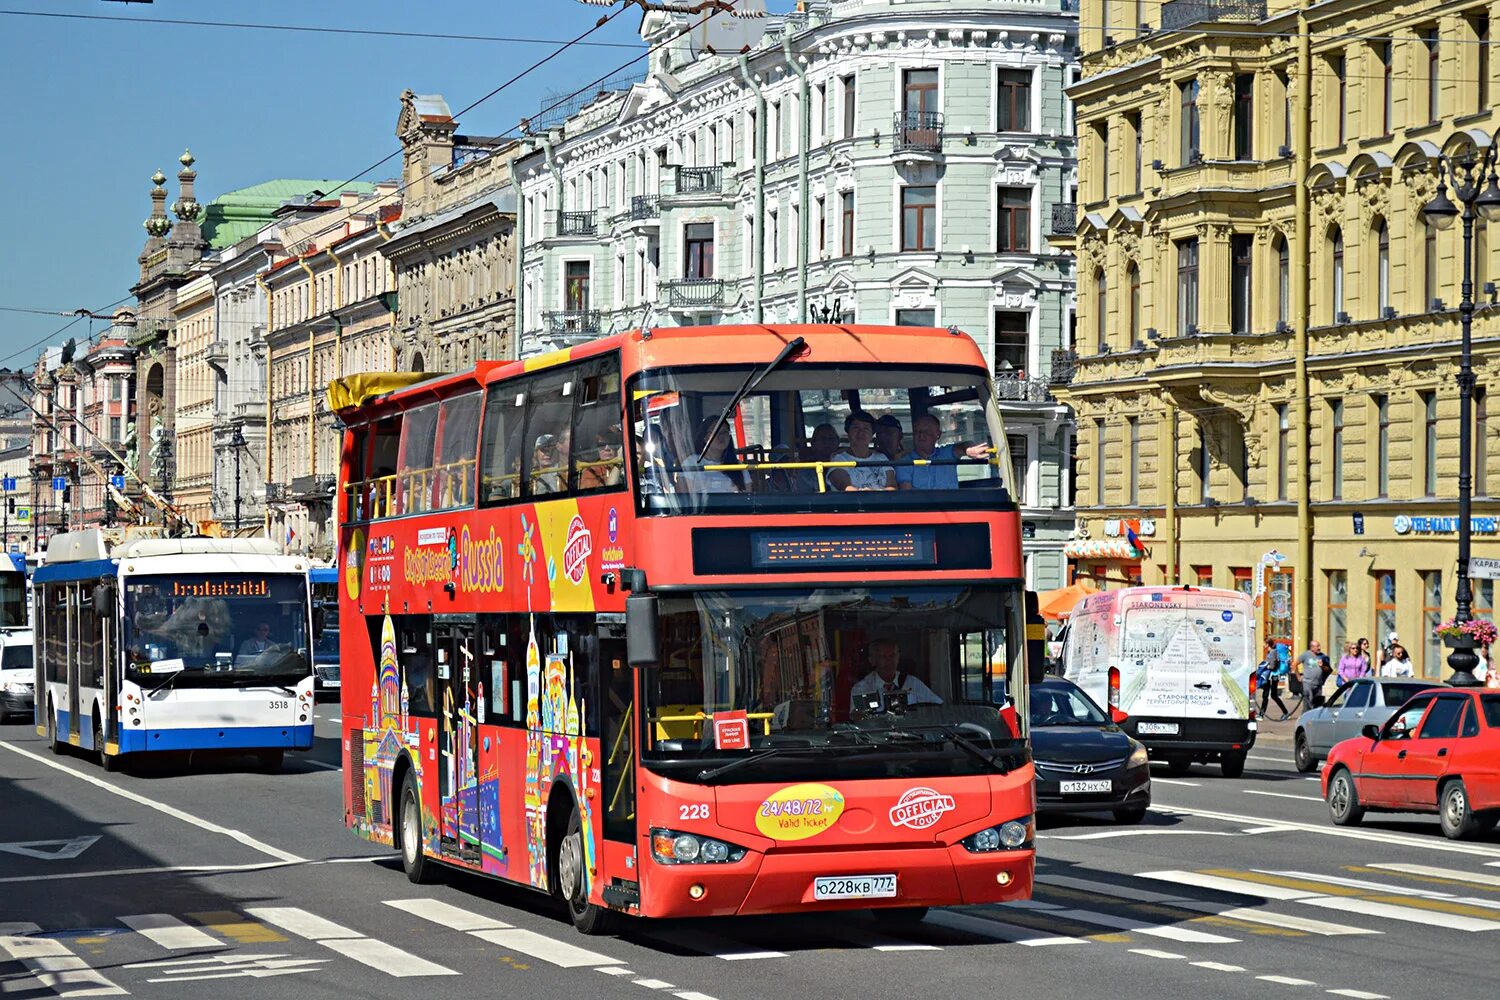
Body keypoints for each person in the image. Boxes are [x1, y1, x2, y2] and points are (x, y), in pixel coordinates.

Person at [896, 412, 992, 490]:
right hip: (922, 512)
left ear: (938, 434)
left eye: (926, 431)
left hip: (952, 510)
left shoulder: (946, 454)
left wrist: (969, 450)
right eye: (917, 431)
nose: (920, 435)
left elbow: (964, 446)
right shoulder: (905, 462)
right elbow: (907, 497)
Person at [849, 638, 941, 710]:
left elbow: (938, 706)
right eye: (883, 656)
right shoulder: (863, 688)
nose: (889, 661)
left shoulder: (912, 683)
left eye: (892, 655)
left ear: (898, 657)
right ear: (872, 660)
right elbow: (858, 719)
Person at [828, 411, 896, 491]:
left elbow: (892, 486)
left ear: (872, 434)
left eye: (866, 428)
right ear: (848, 433)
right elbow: (844, 486)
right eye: (855, 428)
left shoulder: (881, 458)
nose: (861, 432)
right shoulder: (839, 459)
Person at [675, 418, 741, 494]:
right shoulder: (691, 463)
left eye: (725, 432)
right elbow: (683, 498)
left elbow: (746, 498)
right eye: (715, 432)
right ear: (705, 437)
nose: (721, 436)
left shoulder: (739, 466)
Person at [1256, 640, 1287, 717]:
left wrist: (1266, 667)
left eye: (1264, 644)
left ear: (1268, 644)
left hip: (1272, 676)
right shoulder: (1272, 652)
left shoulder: (1272, 652)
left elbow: (1272, 666)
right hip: (1272, 676)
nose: (1263, 646)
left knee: (1267, 695)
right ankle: (1285, 712)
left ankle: (1261, 714)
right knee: (1272, 695)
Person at [1298, 640, 1328, 707]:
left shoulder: (1322, 656)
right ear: (1312, 648)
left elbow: (1328, 669)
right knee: (1308, 704)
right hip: (1308, 683)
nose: (1319, 648)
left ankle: (1315, 717)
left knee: (1317, 704)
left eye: (1319, 646)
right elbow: (1294, 664)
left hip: (1318, 684)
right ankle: (1305, 715)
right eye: (1317, 646)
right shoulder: (1306, 655)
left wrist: (1322, 666)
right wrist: (1298, 676)